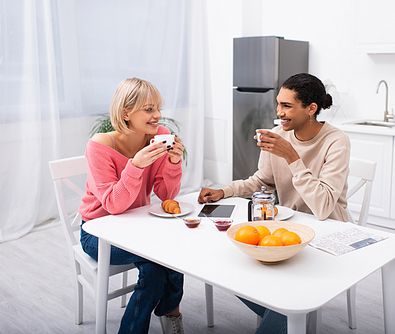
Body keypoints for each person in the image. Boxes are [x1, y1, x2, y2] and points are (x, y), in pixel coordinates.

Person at [198, 73, 351, 333]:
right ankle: (290, 314)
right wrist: (223, 191)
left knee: (282, 298)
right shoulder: (278, 135)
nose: (279, 112)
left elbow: (323, 207)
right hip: (288, 230)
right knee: (229, 270)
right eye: (278, 104)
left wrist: (292, 157)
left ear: (311, 109)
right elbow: (261, 182)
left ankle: (288, 312)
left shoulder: (336, 141)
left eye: (287, 106)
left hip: (328, 232)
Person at [79, 77, 185, 334]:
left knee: (157, 269)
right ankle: (171, 312)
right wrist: (135, 166)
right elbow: (113, 205)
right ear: (126, 112)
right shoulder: (99, 146)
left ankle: (160, 315)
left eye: (158, 108)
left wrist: (173, 162)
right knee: (165, 259)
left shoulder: (158, 136)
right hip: (98, 232)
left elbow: (165, 195)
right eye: (149, 109)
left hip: (138, 227)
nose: (158, 116)